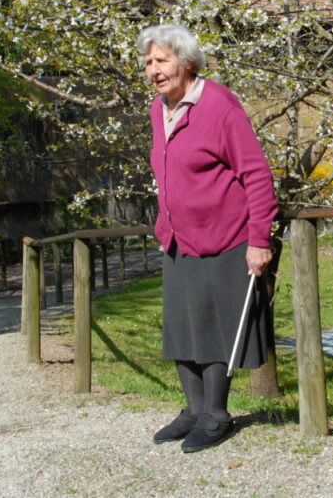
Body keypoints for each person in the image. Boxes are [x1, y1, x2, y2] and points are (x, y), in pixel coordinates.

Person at [138, 23, 278, 453]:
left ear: (187, 62)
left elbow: (256, 174)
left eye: (162, 60)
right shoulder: (159, 109)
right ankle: (194, 409)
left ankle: (216, 414)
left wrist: (259, 239)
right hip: (178, 237)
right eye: (148, 62)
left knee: (217, 327)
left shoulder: (218, 104)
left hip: (224, 234)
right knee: (183, 326)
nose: (154, 70)